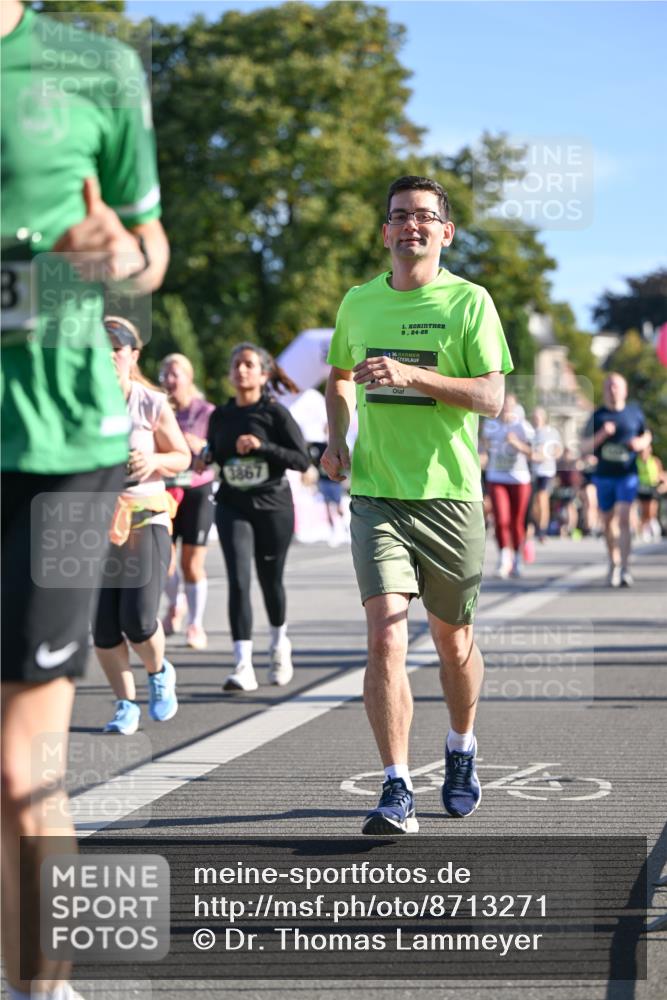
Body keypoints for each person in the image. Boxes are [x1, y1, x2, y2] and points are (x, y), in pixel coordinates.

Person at [1, 2, 169, 997]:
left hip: (61, 455)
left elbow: (150, 250)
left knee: (22, 767)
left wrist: (119, 256)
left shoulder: (94, 69)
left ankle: (43, 987)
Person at [322, 175, 512, 835]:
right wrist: (335, 437)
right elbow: (338, 375)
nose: (411, 225)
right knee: (384, 637)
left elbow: (492, 398)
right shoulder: (358, 303)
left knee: (452, 642)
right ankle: (396, 785)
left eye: (424, 216)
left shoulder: (469, 301)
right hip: (377, 494)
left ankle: (460, 744)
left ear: (445, 232)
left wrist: (412, 375)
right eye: (399, 215)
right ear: (385, 231)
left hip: (449, 497)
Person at [93, 319, 190, 734]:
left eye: (116, 349)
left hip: (145, 514)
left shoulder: (149, 402)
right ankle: (125, 704)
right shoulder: (78, 402)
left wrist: (153, 460)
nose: (107, 356)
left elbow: (182, 456)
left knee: (137, 620)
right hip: (94, 521)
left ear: (133, 355)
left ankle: (159, 670)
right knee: (102, 627)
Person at [204, 344, 310, 691]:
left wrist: (262, 446)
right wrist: (206, 455)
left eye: (249, 364)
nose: (241, 370)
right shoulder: (220, 415)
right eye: (236, 364)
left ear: (264, 374)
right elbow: (216, 453)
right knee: (238, 580)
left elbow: (302, 460)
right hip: (232, 504)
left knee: (270, 581)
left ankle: (279, 644)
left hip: (272, 506)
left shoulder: (275, 413)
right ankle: (242, 665)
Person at [159, 353, 216, 649]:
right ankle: (175, 603)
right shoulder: (157, 408)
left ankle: (195, 624)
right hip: (165, 490)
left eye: (175, 374)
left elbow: (219, 447)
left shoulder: (205, 411)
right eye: (164, 375)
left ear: (188, 377)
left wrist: (202, 445)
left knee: (191, 564)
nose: (169, 380)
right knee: (163, 561)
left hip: (197, 490)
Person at [581, 372, 652, 587]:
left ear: (625, 390)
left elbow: (647, 435)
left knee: (624, 517)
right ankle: (614, 561)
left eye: (616, 386)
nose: (613, 390)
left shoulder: (634, 413)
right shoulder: (597, 416)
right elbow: (584, 446)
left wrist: (640, 443)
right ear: (604, 390)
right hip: (604, 476)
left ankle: (625, 568)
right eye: (609, 386)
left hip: (627, 475)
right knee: (608, 521)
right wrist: (602, 434)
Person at [482, 394, 535, 578]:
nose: (506, 408)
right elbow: (484, 448)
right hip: (497, 477)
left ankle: (517, 558)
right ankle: (504, 558)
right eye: (503, 404)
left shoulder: (522, 426)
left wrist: (516, 443)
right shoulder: (490, 425)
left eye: (509, 405)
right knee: (501, 519)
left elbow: (533, 453)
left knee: (517, 521)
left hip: (519, 478)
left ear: (515, 406)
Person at [528, 407, 563, 544]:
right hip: (533, 471)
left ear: (544, 418)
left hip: (547, 471)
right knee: (535, 502)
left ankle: (542, 530)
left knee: (542, 498)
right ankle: (538, 525)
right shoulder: (530, 433)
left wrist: (548, 455)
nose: (536, 419)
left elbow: (558, 450)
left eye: (538, 417)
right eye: (534, 417)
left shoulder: (551, 432)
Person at [636, 443, 664, 541]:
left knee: (652, 510)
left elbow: (661, 474)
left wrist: (663, 484)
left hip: (653, 488)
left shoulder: (655, 461)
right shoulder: (636, 461)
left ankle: (653, 527)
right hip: (641, 488)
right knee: (644, 511)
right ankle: (645, 530)